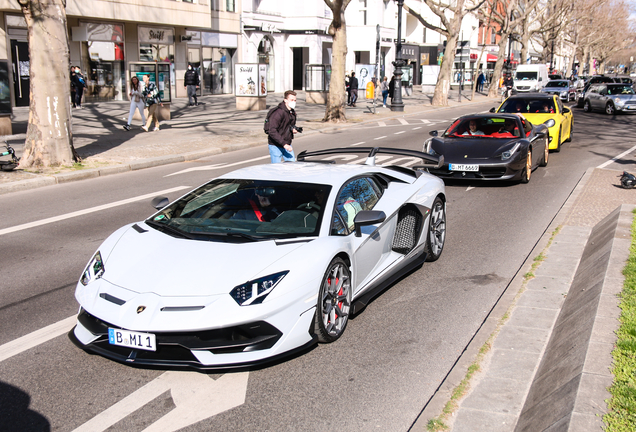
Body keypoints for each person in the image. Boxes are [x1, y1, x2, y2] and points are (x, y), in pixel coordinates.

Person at [267, 90, 299, 163]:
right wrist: (284, 144)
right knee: (277, 168)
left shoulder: (292, 112)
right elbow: (272, 131)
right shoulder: (278, 113)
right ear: (285, 100)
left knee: (292, 165)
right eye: (291, 100)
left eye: (295, 100)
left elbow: (289, 125)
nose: (293, 102)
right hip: (275, 145)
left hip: (287, 143)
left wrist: (293, 129)